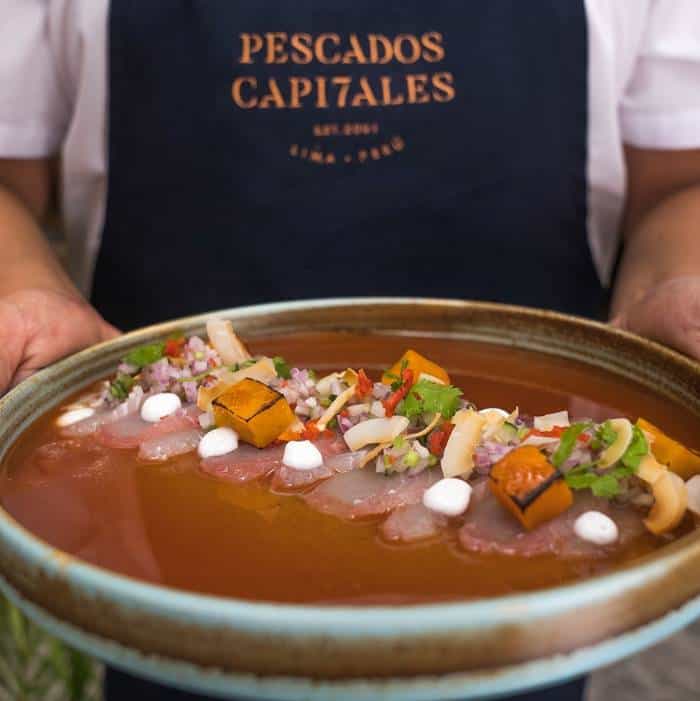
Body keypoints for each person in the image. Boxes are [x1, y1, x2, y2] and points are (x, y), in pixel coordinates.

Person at [1, 1, 699, 699]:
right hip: (159, 563)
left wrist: (679, 280)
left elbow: (675, 183)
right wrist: (24, 296)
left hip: (536, 587)